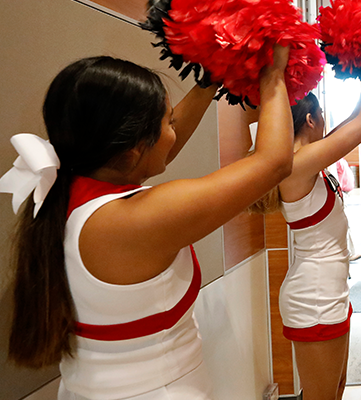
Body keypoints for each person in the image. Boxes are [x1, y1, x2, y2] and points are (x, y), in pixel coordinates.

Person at [2, 45, 294, 398]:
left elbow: (158, 152)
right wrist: (273, 74)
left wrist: (210, 82)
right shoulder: (134, 219)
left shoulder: (71, 192)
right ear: (132, 147)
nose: (173, 132)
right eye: (168, 122)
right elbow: (275, 163)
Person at [251, 58, 361, 400]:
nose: (328, 122)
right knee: (322, 396)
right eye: (323, 114)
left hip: (329, 291)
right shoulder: (297, 166)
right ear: (311, 119)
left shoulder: (311, 162)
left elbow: (358, 119)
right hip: (314, 299)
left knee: (334, 391)